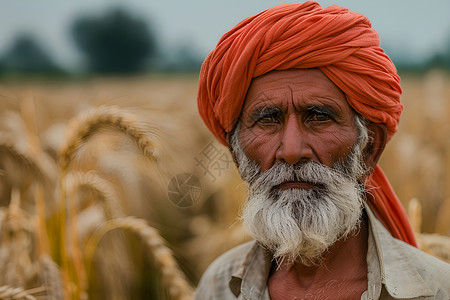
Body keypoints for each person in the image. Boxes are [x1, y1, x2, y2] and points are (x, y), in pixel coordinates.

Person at [195, 2, 450, 299]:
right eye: (267, 119)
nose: (291, 151)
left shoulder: (437, 290)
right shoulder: (217, 286)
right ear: (238, 154)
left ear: (369, 147)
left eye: (319, 117)